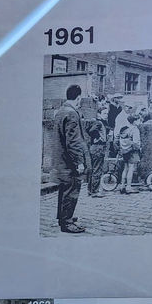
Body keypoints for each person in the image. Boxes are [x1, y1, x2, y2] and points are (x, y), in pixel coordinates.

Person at [53, 84, 88, 233]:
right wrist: (79, 162)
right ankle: (66, 222)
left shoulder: (61, 111)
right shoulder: (72, 113)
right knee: (72, 189)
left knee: (64, 189)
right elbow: (73, 142)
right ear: (78, 98)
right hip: (69, 161)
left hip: (61, 159)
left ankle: (63, 217)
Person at [117, 117, 141, 194]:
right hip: (132, 151)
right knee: (131, 168)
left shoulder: (124, 129)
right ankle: (128, 187)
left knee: (125, 168)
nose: (139, 121)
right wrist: (139, 148)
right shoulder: (135, 129)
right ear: (134, 121)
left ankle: (122, 186)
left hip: (124, 151)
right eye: (138, 120)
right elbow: (136, 142)